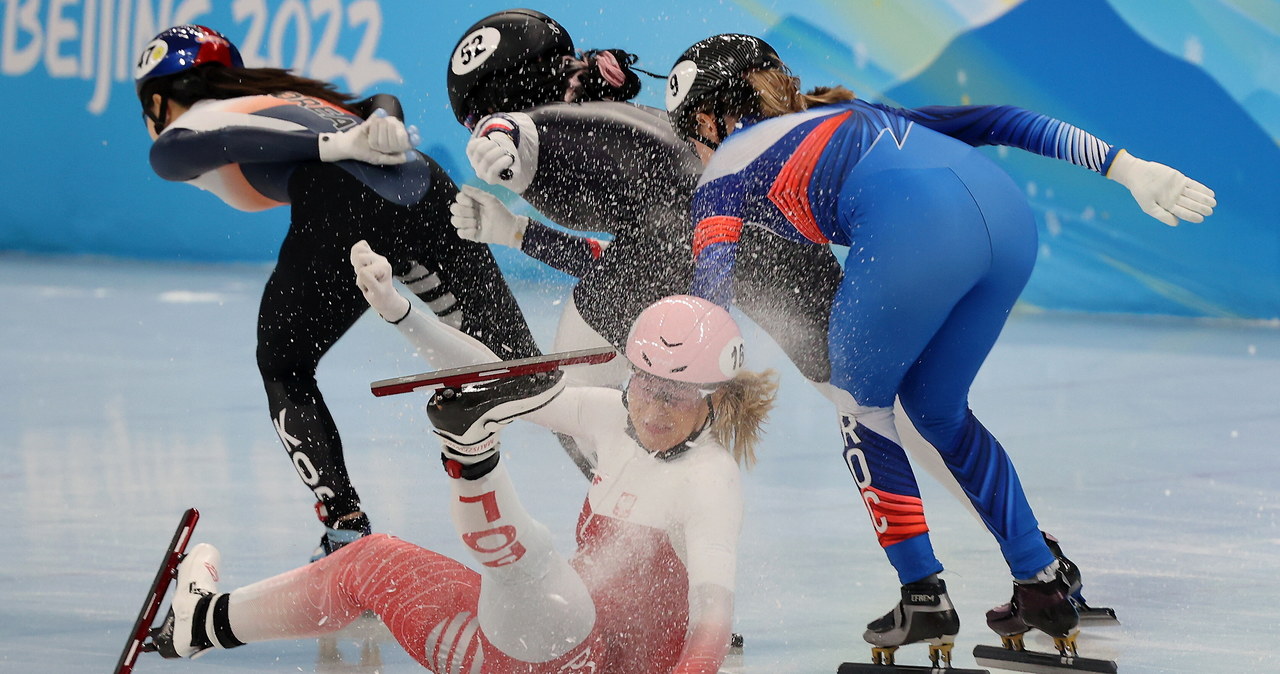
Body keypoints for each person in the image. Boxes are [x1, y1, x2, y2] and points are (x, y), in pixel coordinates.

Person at [664, 33, 1215, 664]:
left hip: (914, 230)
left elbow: (708, 304)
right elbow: (1002, 120)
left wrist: (678, 375)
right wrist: (1125, 168)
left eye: (692, 129)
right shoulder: (852, 112)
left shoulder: (726, 164)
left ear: (708, 115)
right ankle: (1043, 582)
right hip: (1007, 223)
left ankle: (922, 596)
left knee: (861, 405)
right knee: (937, 410)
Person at [149, 262, 780, 674]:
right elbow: (490, 375)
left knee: (543, 584)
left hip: (583, 656)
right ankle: (202, 623)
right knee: (370, 561)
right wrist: (402, 312)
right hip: (521, 647)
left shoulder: (710, 481)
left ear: (718, 399)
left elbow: (712, 627)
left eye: (676, 397)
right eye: (643, 385)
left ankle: (473, 460)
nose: (652, 410)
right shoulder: (610, 416)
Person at [134, 25, 541, 559]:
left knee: (283, 366)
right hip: (428, 187)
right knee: (532, 374)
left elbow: (179, 149)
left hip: (345, 204)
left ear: (161, 99)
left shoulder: (197, 120)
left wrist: (333, 146)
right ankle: (628, 465)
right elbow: (378, 99)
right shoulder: (291, 97)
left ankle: (345, 529)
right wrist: (382, 121)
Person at [444, 8, 842, 480]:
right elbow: (631, 253)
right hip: (770, 246)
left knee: (575, 420)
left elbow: (526, 130)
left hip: (698, 259)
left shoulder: (566, 129)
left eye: (473, 117)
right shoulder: (645, 130)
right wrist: (514, 231)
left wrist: (502, 137)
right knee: (867, 395)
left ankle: (646, 517)